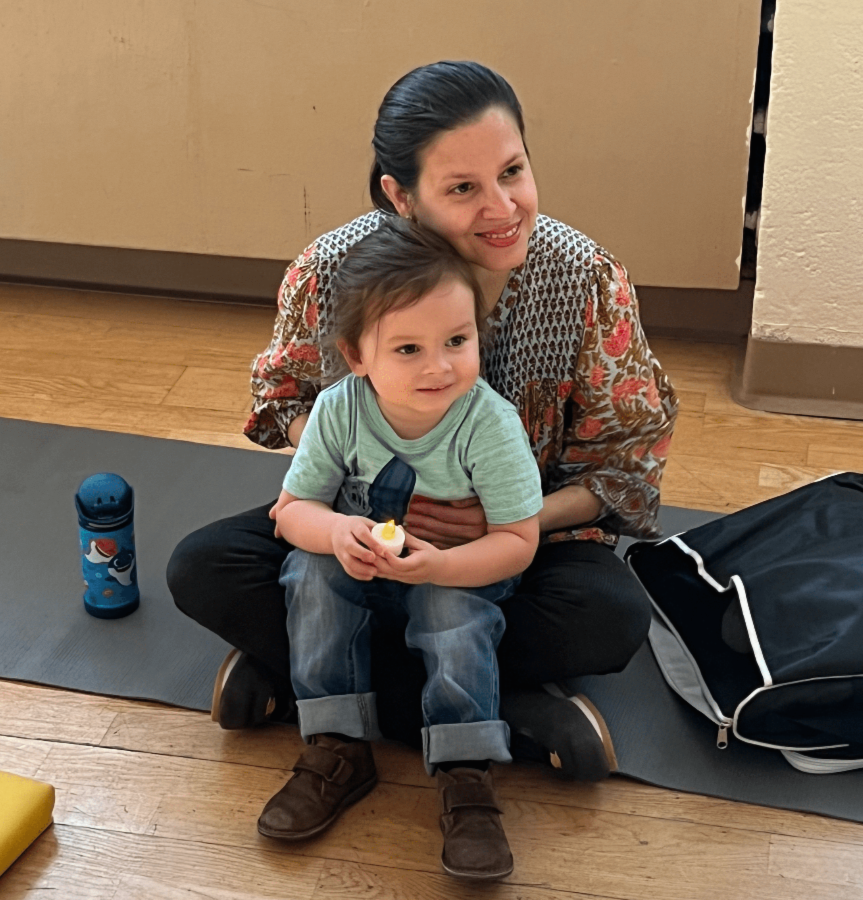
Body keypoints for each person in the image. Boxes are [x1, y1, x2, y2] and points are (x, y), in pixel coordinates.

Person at [168, 59, 676, 806]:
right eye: (462, 188)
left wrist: (509, 520)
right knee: (202, 567)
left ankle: (312, 685)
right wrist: (356, 479)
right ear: (399, 196)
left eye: (512, 171)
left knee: (610, 619)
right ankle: (499, 711)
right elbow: (282, 400)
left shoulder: (585, 280)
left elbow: (622, 466)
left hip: (519, 543)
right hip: (363, 531)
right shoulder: (336, 268)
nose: (502, 206)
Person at [261, 217, 544, 879]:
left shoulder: (488, 423)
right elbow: (290, 511)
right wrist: (335, 532)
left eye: (456, 340)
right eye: (408, 349)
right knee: (307, 573)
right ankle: (337, 747)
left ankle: (464, 773)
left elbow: (518, 541)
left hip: (458, 568)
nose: (440, 366)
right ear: (357, 356)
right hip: (363, 565)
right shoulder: (338, 409)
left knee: (450, 611)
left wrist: (442, 565)